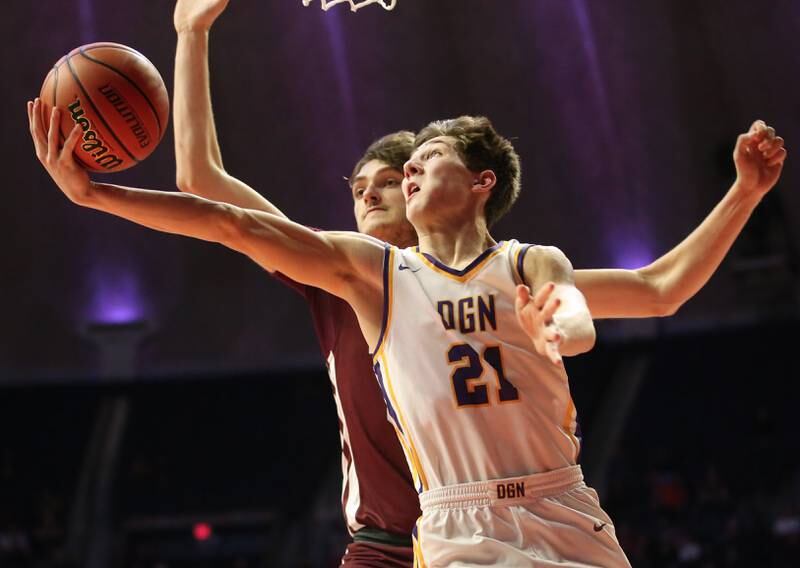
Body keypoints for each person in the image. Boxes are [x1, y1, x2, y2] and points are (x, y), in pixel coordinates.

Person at [28, 89, 786, 564]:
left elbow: (655, 290)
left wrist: (746, 192)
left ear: (483, 184)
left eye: (429, 158)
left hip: (566, 510)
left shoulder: (528, 263)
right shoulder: (374, 275)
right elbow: (226, 220)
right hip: (455, 525)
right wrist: (99, 198)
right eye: (407, 165)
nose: (412, 171)